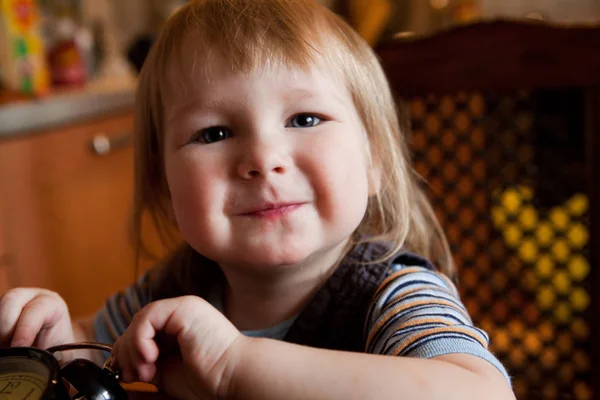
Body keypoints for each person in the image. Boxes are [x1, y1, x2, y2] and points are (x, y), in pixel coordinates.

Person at [0, 0, 515, 399]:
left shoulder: (393, 294)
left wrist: (234, 366)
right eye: (215, 132)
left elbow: (484, 393)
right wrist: (59, 339)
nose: (263, 158)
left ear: (374, 160)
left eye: (305, 119)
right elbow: (100, 344)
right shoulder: (177, 290)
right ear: (165, 185)